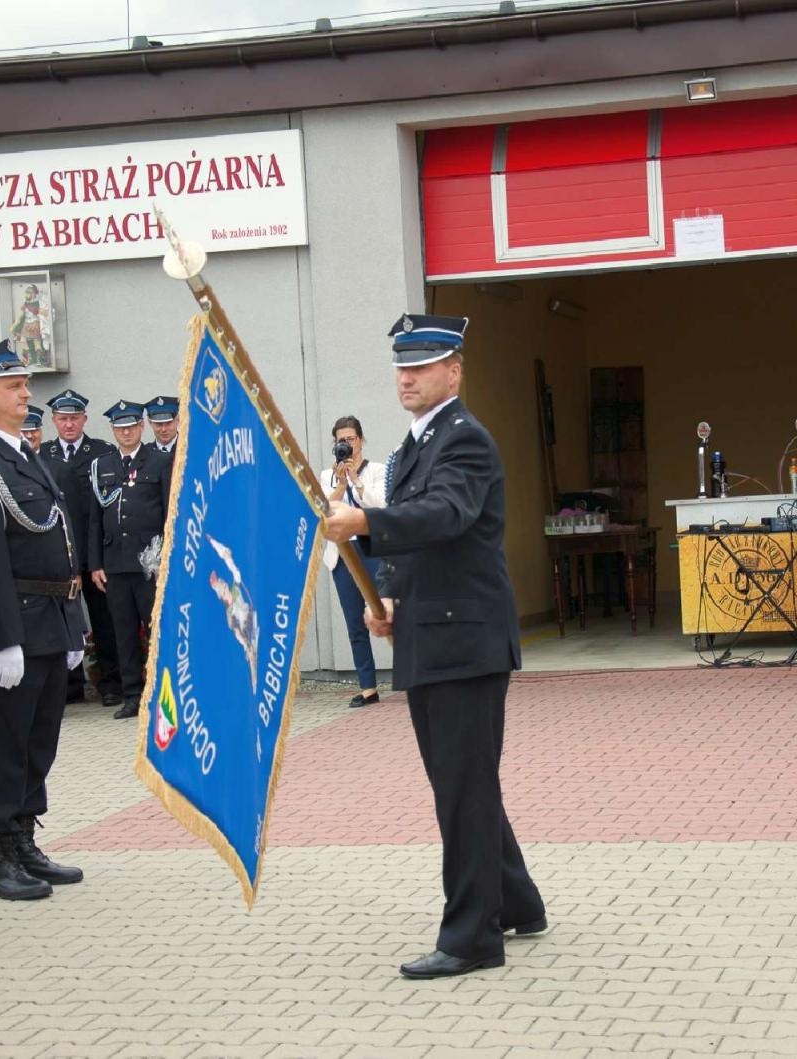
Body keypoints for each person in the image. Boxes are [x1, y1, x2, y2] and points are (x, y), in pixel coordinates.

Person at [323, 313, 545, 980]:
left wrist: (365, 519)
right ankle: (516, 901)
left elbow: (445, 513)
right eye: (401, 366)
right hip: (437, 632)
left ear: (455, 370)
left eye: (422, 365)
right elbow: (427, 542)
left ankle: (473, 935)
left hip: (465, 642)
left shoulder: (464, 440)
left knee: (462, 788)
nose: (408, 377)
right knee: (466, 782)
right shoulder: (420, 442)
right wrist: (389, 596)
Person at [0, 342, 88, 901]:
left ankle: (25, 840)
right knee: (5, 742)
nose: (25, 394)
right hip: (16, 623)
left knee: (39, 739)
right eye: (12, 387)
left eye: (24, 384)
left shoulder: (26, 456)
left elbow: (61, 539)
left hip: (51, 616)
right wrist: (2, 638)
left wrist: (75, 621)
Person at [87, 400, 170, 719]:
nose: (126, 432)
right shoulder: (103, 465)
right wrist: (95, 563)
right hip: (116, 564)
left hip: (149, 563)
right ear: (112, 430)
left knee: (155, 629)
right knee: (123, 632)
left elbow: (168, 513)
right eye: (120, 428)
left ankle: (161, 693)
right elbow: (95, 519)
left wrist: (165, 559)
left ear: (141, 427)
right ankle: (132, 695)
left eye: (132, 426)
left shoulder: (158, 462)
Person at [40, 389, 121, 708]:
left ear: (84, 419)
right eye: (63, 419)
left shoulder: (101, 452)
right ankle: (71, 684)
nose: (69, 424)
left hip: (94, 553)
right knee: (63, 622)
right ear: (54, 422)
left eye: (74, 418)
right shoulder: (43, 454)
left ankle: (111, 682)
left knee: (105, 621)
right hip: (60, 554)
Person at [323, 415, 388, 707]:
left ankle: (413, 676)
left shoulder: (376, 471)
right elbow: (324, 511)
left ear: (361, 440)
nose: (346, 445)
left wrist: (356, 480)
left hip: (371, 548)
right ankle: (368, 687)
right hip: (342, 552)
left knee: (386, 612)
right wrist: (340, 482)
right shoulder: (327, 476)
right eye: (341, 441)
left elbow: (380, 505)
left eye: (350, 439)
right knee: (354, 622)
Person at [144, 395, 180, 459]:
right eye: (159, 424)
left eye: (168, 423)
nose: (164, 429)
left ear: (178, 420)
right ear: (150, 422)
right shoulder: (143, 454)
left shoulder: (190, 449)